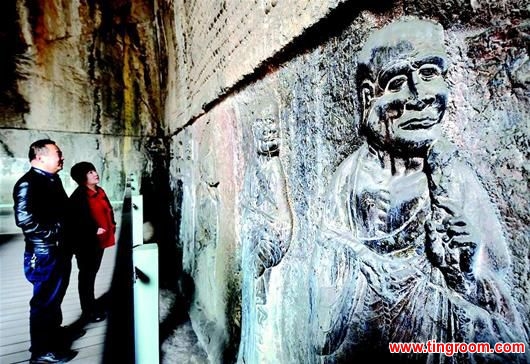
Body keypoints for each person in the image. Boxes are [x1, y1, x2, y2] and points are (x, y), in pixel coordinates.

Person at [310, 18, 528, 363]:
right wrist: (357, 265)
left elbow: (510, 334)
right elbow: (321, 331)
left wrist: (466, 274)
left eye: (429, 74)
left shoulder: (456, 180)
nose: (419, 97)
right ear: (368, 98)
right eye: (398, 82)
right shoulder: (347, 181)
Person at [13, 139, 78, 363]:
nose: (62, 157)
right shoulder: (28, 183)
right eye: (57, 153)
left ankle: (54, 335)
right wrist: (54, 234)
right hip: (44, 253)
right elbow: (24, 220)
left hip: (58, 250)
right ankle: (41, 351)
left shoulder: (52, 179)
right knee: (43, 302)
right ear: (40, 157)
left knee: (54, 297)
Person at [67, 162, 116, 323]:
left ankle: (91, 305)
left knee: (92, 273)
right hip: (86, 243)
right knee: (87, 276)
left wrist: (112, 225)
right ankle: (88, 310)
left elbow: (108, 210)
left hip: (99, 241)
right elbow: (73, 221)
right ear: (82, 177)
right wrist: (93, 229)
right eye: (90, 172)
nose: (95, 173)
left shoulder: (99, 191)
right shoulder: (79, 196)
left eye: (93, 170)